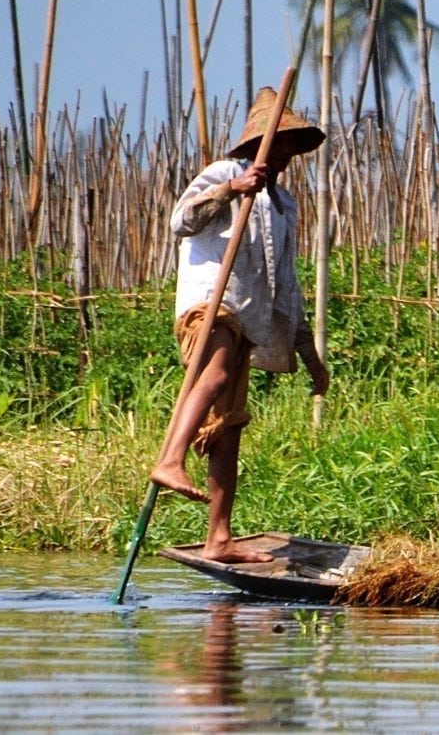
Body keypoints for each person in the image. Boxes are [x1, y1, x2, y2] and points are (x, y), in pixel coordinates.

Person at [150, 88, 329, 563]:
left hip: (245, 317)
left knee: (228, 428)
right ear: (260, 143)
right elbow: (180, 221)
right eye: (284, 143)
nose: (289, 154)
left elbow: (285, 284)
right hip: (210, 303)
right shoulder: (223, 174)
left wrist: (309, 355)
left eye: (293, 145)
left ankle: (219, 538)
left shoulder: (282, 204)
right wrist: (233, 190)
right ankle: (170, 459)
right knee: (217, 374)